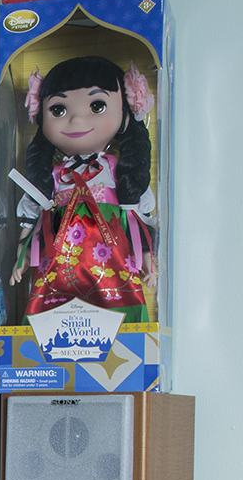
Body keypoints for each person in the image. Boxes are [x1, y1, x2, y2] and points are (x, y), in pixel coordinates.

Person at [12, 55, 157, 323]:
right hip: (59, 259)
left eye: (97, 105)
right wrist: (21, 257)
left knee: (118, 301)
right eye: (58, 110)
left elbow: (139, 221)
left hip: (112, 257)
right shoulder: (53, 177)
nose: (77, 119)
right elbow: (31, 217)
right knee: (51, 304)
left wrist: (148, 257)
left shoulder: (119, 172)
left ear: (125, 115)